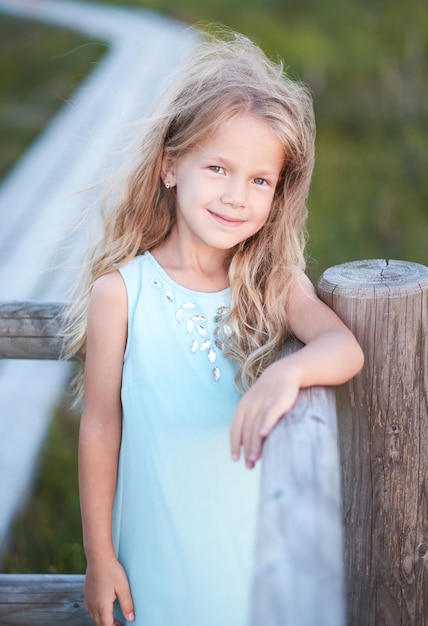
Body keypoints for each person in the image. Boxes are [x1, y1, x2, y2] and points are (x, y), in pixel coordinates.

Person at [66, 30, 364, 626]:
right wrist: (99, 557)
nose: (236, 196)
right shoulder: (122, 293)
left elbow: (344, 347)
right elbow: (100, 425)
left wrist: (289, 375)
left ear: (278, 194)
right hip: (155, 554)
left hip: (251, 554)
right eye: (218, 168)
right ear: (171, 166)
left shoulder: (272, 283)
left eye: (260, 180)